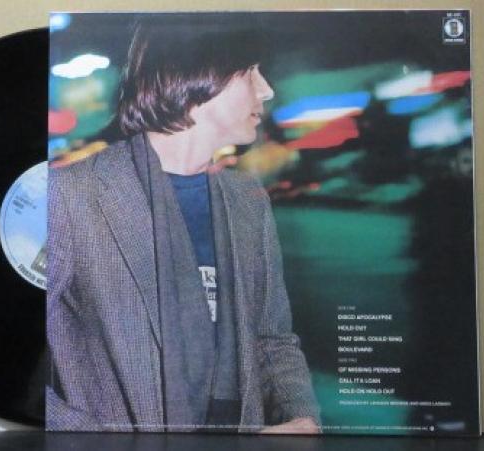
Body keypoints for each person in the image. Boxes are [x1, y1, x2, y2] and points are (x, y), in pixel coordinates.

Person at [46, 18, 320, 433]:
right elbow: (9, 355)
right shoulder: (72, 194)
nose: (266, 89)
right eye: (250, 72)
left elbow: (272, 339)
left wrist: (301, 417)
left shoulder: (248, 200)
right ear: (197, 73)